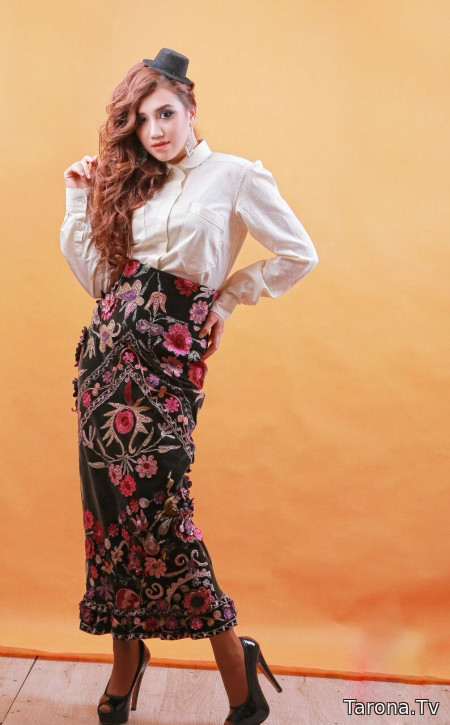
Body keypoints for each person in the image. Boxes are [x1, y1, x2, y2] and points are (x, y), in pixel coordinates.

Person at [60, 48, 318, 725]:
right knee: (109, 519)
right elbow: (99, 282)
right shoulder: (136, 185)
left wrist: (228, 298)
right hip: (104, 360)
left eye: (166, 114)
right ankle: (126, 662)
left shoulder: (236, 176)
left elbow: (299, 253)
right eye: (143, 120)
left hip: (168, 362)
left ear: (191, 108)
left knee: (162, 512)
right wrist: (79, 197)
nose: (156, 130)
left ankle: (236, 661)